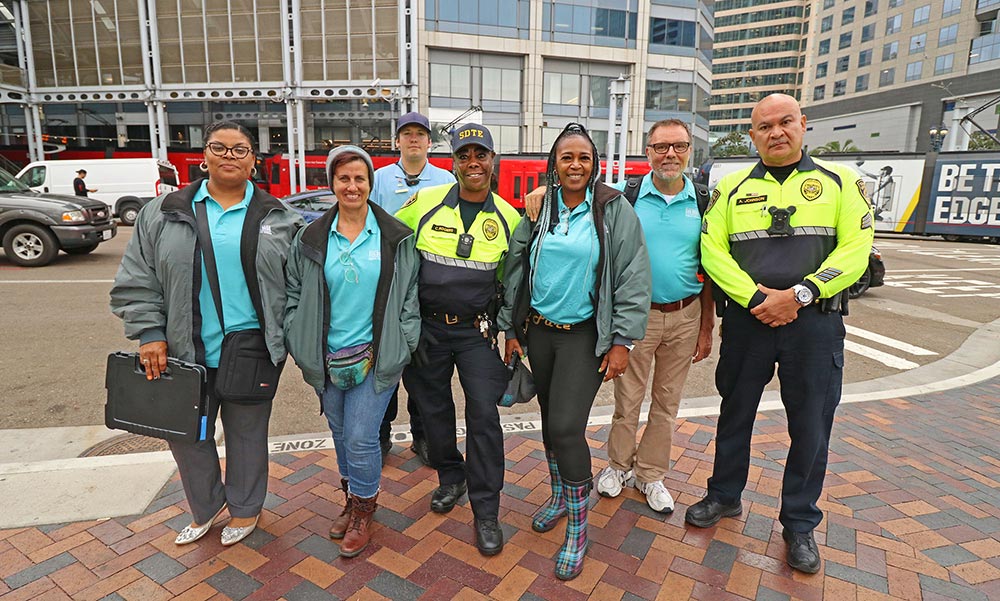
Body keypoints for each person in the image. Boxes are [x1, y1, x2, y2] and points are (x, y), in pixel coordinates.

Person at [687, 93, 874, 575]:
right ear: (752, 135)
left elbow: (856, 251)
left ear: (803, 124)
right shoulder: (730, 190)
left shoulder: (840, 183)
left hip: (814, 327)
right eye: (764, 126)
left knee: (810, 426)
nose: (776, 132)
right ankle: (723, 496)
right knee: (734, 416)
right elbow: (712, 251)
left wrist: (803, 294)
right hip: (749, 326)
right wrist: (755, 300)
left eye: (785, 122)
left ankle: (799, 523)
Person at [110, 120, 303, 547]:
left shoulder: (279, 216)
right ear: (204, 155)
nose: (229, 156)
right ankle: (206, 506)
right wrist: (149, 333)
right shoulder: (162, 212)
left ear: (254, 161)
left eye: (240, 150)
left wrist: (287, 338)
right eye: (220, 147)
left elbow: (298, 288)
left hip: (251, 350)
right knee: (188, 435)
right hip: (182, 350)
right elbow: (138, 278)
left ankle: (246, 509)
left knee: (247, 435)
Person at [522, 120, 715, 514]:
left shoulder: (702, 200)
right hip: (631, 316)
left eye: (678, 146)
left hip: (681, 313)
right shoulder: (628, 198)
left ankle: (651, 474)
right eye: (661, 147)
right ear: (648, 151)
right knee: (627, 400)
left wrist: (707, 324)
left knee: (666, 403)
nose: (670, 154)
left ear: (689, 150)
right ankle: (617, 467)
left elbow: (709, 265)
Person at [499, 123, 651, 580]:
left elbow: (632, 275)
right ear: (554, 164)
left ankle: (579, 528)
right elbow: (515, 267)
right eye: (567, 157)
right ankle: (558, 499)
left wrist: (623, 340)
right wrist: (510, 325)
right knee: (549, 424)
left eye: (583, 157)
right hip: (540, 333)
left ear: (594, 163)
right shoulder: (540, 208)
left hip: (584, 335)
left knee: (567, 428)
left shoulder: (613, 209)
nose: (575, 165)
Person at [284, 145, 420, 558]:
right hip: (326, 356)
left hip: (377, 355)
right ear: (332, 184)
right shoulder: (310, 237)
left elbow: (411, 295)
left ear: (369, 184)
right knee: (341, 433)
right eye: (344, 178)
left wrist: (404, 342)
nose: (352, 186)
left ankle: (364, 510)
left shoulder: (395, 237)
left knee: (362, 438)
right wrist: (297, 336)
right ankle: (351, 498)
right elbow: (292, 292)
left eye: (360, 178)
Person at [394, 123, 521, 557]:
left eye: (480, 155)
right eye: (465, 155)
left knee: (485, 416)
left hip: (476, 332)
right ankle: (452, 478)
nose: (473, 163)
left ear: (492, 161)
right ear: (453, 162)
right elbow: (390, 241)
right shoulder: (424, 203)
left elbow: (514, 282)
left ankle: (487, 510)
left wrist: (512, 333)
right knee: (433, 413)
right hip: (427, 330)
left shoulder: (508, 217)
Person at [370, 111, 455, 465]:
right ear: (398, 142)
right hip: (388, 285)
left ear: (429, 142)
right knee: (385, 361)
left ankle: (423, 434)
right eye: (407, 134)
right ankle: (382, 432)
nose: (414, 139)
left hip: (429, 284)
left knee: (425, 366)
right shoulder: (379, 179)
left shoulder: (446, 179)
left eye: (421, 134)